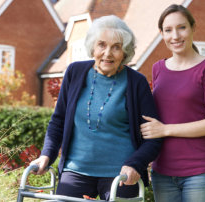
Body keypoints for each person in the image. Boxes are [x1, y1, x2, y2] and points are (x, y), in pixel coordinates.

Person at [31, 15, 162, 200]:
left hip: (120, 174)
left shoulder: (136, 83)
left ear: (124, 52)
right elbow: (58, 121)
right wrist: (46, 155)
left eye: (116, 47)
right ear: (93, 46)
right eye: (102, 45)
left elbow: (154, 139)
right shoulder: (74, 72)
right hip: (75, 170)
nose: (107, 53)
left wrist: (135, 164)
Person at [140, 4, 205, 202]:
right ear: (161, 33)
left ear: (193, 28)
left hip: (199, 172)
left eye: (181, 27)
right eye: (168, 30)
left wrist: (165, 130)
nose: (175, 36)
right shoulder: (158, 68)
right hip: (162, 172)